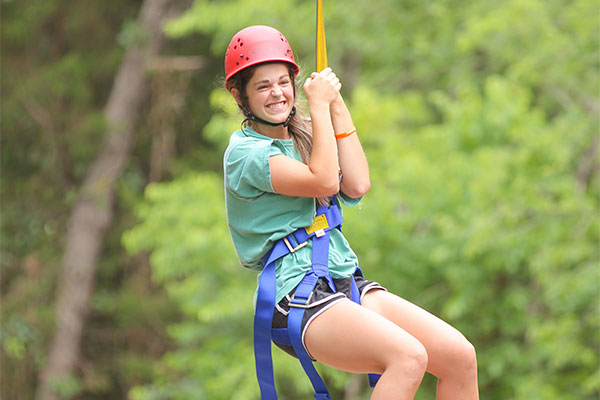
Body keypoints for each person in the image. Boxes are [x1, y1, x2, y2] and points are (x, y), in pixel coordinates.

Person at [223, 25, 479, 400]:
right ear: (239, 95)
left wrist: (335, 103)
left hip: (341, 278)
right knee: (408, 358)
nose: (277, 93)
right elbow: (325, 180)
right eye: (263, 86)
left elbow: (356, 184)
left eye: (283, 82)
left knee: (459, 356)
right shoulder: (246, 154)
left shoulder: (308, 135)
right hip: (297, 294)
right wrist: (319, 108)